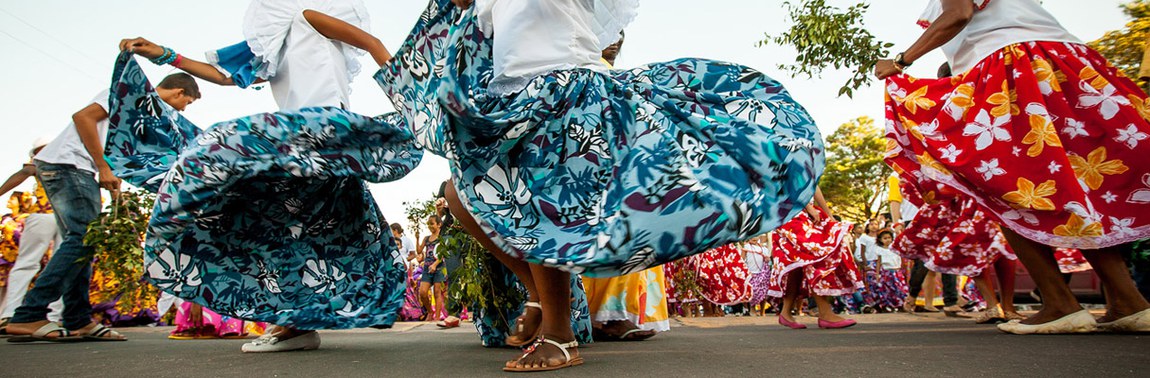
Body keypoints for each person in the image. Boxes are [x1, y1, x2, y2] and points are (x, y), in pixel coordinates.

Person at [384, 0, 824, 371]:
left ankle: (560, 334)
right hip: (512, 99)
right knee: (460, 198)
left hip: (565, 85)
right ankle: (538, 298)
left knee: (546, 202)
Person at [115, 0, 422, 352]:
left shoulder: (307, 17)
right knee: (295, 226)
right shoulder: (274, 45)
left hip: (322, 130)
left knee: (224, 148)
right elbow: (227, 75)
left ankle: (295, 323)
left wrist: (412, 100)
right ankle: (297, 322)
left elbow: (373, 44)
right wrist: (165, 55)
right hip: (297, 142)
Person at [877, 0, 1150, 333]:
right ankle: (1128, 302)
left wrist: (900, 61)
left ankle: (1059, 303)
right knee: (1073, 182)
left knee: (1001, 187)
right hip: (1057, 61)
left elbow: (958, 14)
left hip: (1013, 66)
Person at [4, 73, 199, 342]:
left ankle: (77, 319)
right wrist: (102, 165)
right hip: (69, 166)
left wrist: (113, 176)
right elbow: (82, 117)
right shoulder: (126, 93)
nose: (183, 109)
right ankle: (29, 314)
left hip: (80, 170)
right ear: (178, 92)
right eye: (186, 103)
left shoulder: (141, 111)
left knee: (85, 241)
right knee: (83, 237)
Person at [767, 187, 863, 329]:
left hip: (800, 211)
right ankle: (825, 313)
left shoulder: (810, 165)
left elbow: (813, 184)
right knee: (813, 255)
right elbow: (786, 179)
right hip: (790, 210)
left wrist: (829, 215)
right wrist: (807, 206)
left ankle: (786, 312)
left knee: (798, 263)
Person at [0, 138, 65, 330]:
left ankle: (10, 313)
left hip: (45, 217)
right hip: (61, 217)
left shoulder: (40, 164)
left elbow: (25, 171)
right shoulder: (66, 163)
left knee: (27, 263)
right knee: (60, 265)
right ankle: (52, 316)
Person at [870, 229, 908, 312]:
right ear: (880, 240)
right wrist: (877, 273)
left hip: (897, 271)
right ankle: (888, 305)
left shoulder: (895, 248)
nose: (887, 240)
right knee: (888, 289)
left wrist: (902, 269)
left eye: (889, 238)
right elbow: (879, 262)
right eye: (885, 238)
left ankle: (901, 304)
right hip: (887, 272)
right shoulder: (879, 250)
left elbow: (900, 259)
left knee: (899, 288)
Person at [419, 216, 448, 323]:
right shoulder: (426, 238)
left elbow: (443, 253)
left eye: (432, 223)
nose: (430, 226)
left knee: (437, 292)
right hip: (427, 267)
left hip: (439, 267)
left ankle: (436, 316)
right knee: (422, 292)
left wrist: (435, 264)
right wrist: (417, 238)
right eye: (429, 224)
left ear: (439, 224)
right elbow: (419, 251)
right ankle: (430, 312)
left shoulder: (442, 238)